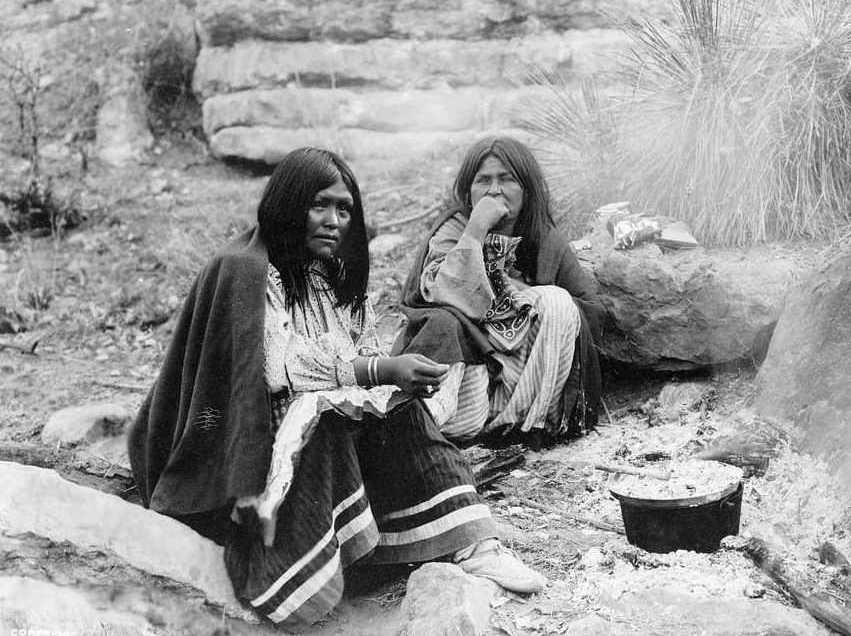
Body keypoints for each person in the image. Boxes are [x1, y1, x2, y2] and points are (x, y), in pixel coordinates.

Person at [127, 147, 544, 629]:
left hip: (306, 423)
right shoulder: (243, 269)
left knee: (400, 410)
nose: (333, 221)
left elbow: (357, 350)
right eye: (319, 205)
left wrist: (391, 382)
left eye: (344, 209)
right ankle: (308, 563)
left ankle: (473, 543)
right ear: (287, 205)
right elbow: (280, 370)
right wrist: (380, 370)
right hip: (235, 452)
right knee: (323, 418)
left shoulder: (330, 274)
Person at [393, 137, 605, 451]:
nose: (494, 190)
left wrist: (523, 297)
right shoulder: (453, 231)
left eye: (506, 179)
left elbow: (590, 310)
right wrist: (476, 231)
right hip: (468, 371)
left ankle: (527, 425)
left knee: (558, 302)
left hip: (521, 379)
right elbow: (441, 295)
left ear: (526, 190)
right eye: (483, 181)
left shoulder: (542, 238)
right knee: (448, 322)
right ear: (468, 191)